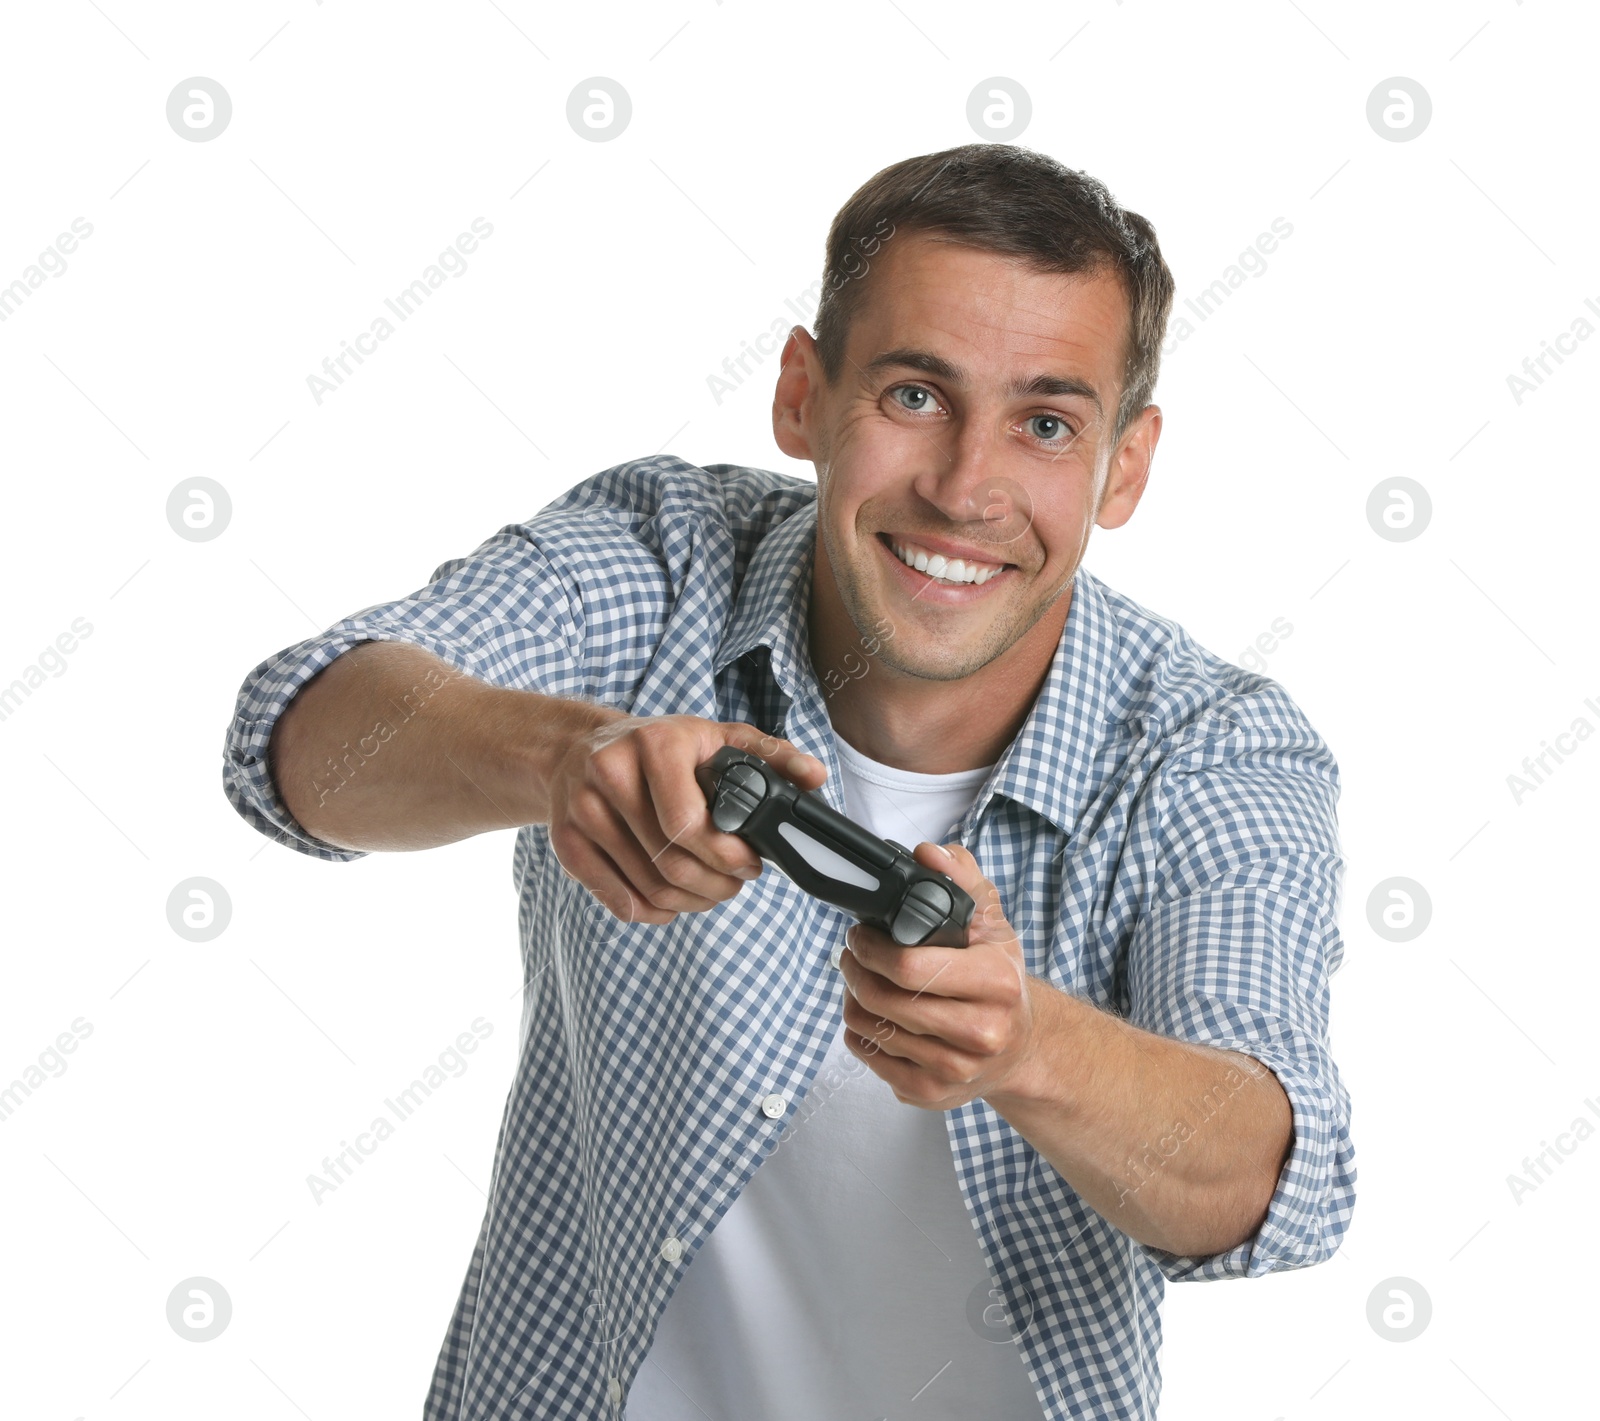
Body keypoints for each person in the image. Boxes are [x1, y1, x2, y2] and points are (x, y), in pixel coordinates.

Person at [223, 143, 1355, 1420]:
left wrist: (1027, 1047)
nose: (963, 487)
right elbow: (299, 737)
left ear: (1125, 464)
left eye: (1045, 422)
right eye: (915, 395)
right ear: (802, 395)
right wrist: (564, 760)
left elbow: (1273, 1175)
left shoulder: (1212, 747)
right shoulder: (660, 552)